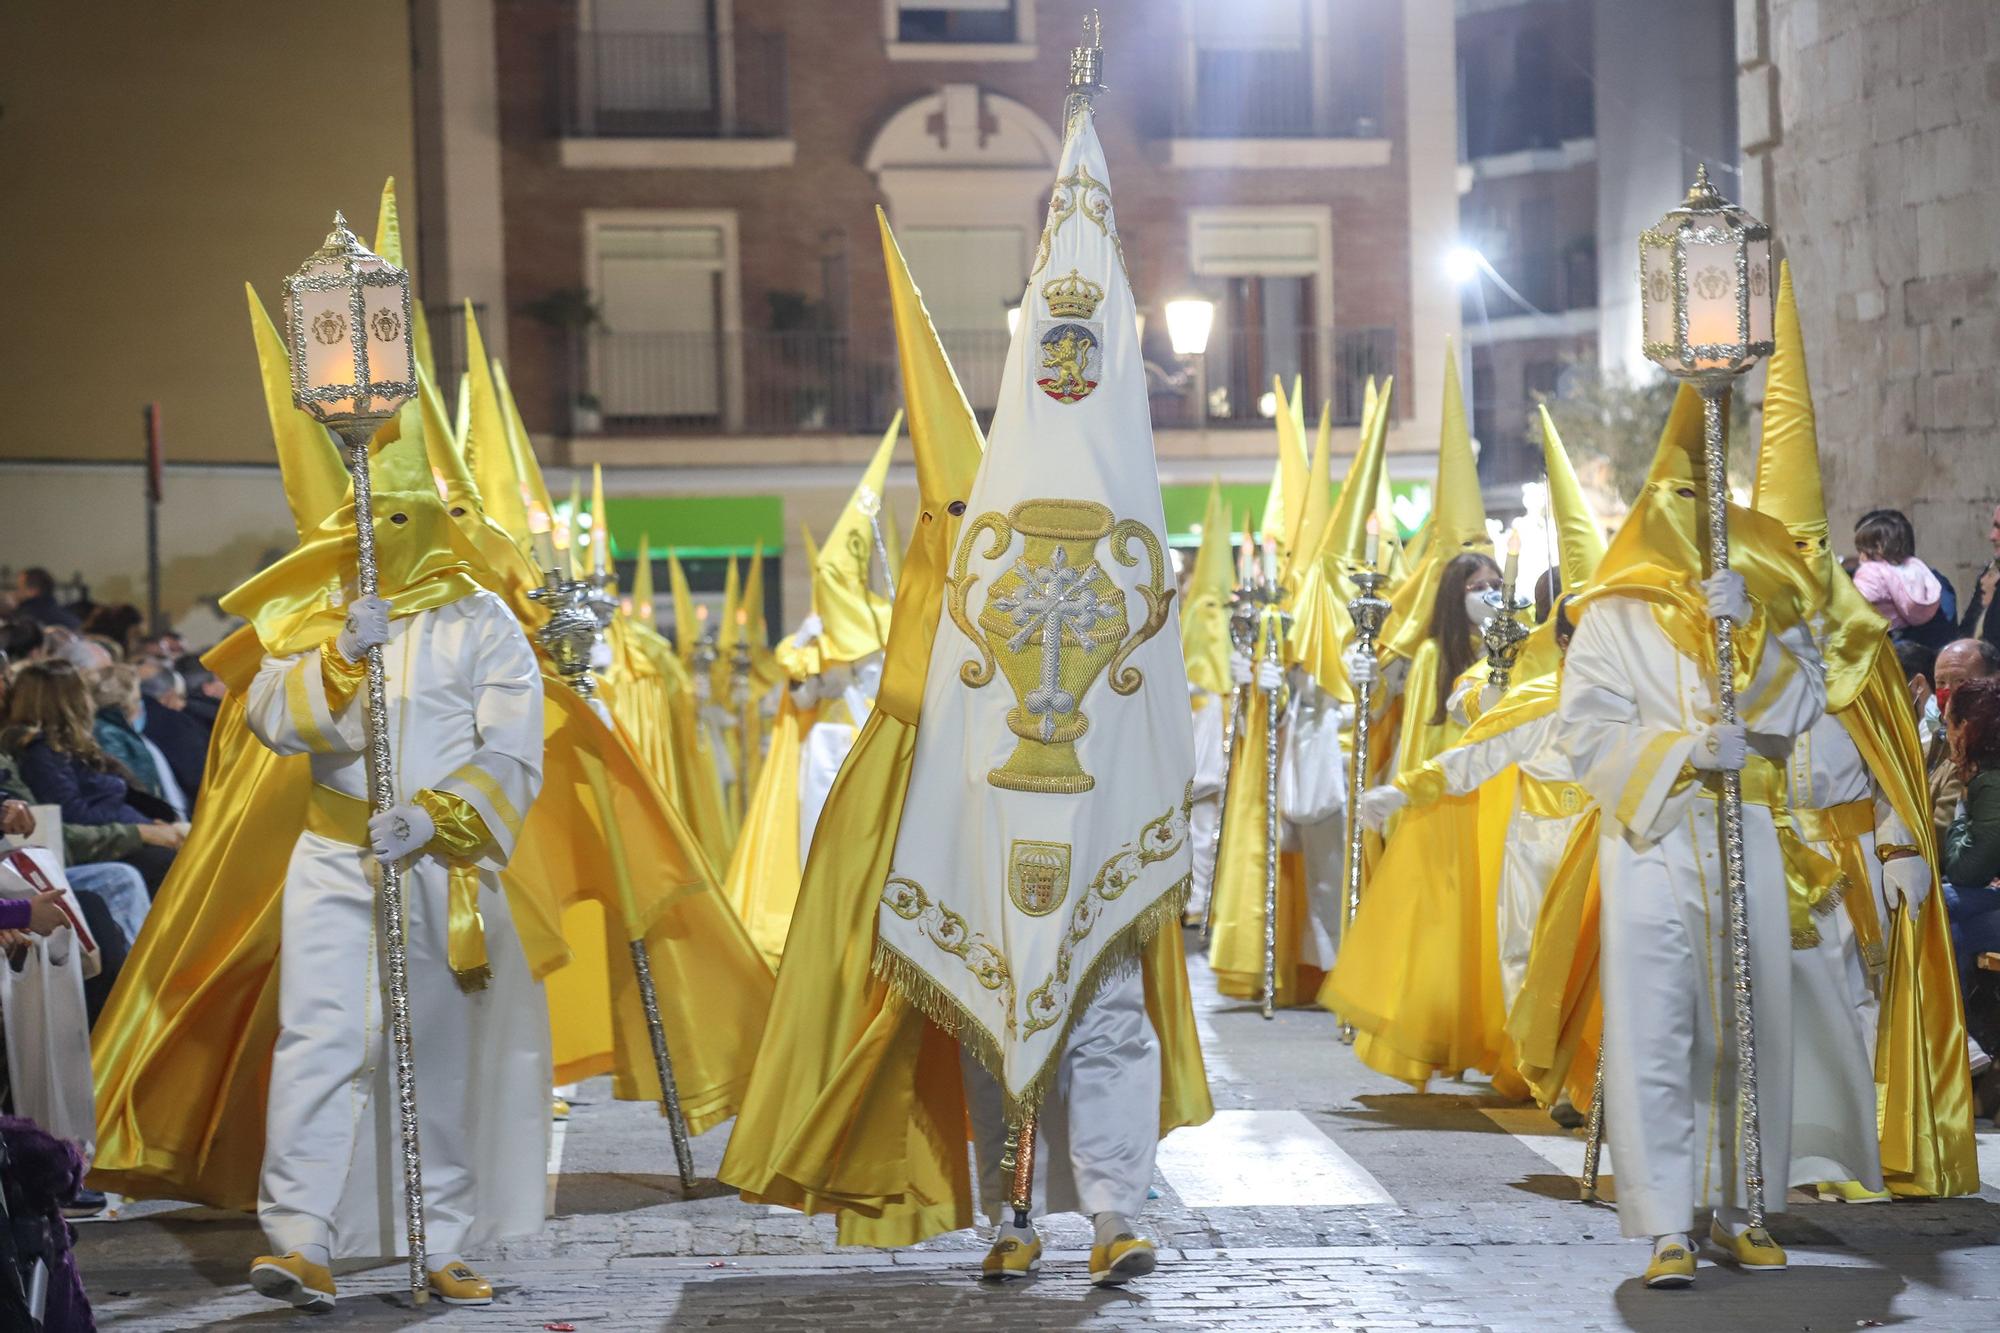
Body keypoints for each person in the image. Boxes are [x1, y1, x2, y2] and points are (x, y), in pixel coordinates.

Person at [721, 133, 1210, 1289]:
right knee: (995, 1023)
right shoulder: (967, 555)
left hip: (1097, 808)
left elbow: (1154, 693)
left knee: (1104, 1023)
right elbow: (920, 696)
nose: (1069, 376)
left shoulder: (1136, 547)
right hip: (989, 819)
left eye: (1088, 356)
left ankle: (1114, 1216)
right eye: (1051, 351)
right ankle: (1011, 1213)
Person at [1557, 383, 1876, 1287]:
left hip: (1744, 832)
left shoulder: (1757, 602)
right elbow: (1584, 732)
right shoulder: (1611, 616)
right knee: (1660, 1023)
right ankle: (1665, 1220)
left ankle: (1741, 1207)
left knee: (1750, 1018)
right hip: (1654, 836)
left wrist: (1759, 637)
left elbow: (1807, 696)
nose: (1692, 523)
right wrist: (1681, 749)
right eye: (1677, 504)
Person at [3, 659, 180, 893]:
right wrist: (141, 830)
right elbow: (73, 814)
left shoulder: (67, 748)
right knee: (165, 862)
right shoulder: (41, 753)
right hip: (100, 847)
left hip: (121, 834)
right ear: (72, 700)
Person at [1941, 677, 2000, 1008]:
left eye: (1947, 722)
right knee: (1940, 908)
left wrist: (1962, 801)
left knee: (1941, 911)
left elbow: (1966, 870)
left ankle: (1953, 1037)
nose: (1944, 732)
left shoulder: (1991, 783)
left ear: (1965, 727)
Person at [90, 664, 190, 821]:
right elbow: (134, 790)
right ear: (126, 700)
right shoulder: (107, 734)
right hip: (148, 821)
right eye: (138, 698)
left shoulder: (123, 731)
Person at [1929, 639, 2000, 846]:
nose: (1948, 692)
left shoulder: (1983, 753)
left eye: (1960, 681)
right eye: (1940, 683)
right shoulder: (1935, 742)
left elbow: (1942, 836)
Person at [1852, 510, 1947, 647]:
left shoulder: (1870, 571)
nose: (1860, 556)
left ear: (1878, 547)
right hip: (1909, 642)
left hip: (1883, 641)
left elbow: (1857, 604)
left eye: (1862, 549)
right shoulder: (1920, 574)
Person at [1956, 503, 2000, 651]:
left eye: (1999, 527)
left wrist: (1992, 605)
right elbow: (1965, 634)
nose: (1992, 536)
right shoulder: (1990, 573)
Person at [12, 568, 79, 631]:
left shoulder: (26, 618)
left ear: (33, 590)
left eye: (19, 588)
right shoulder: (67, 616)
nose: (16, 592)